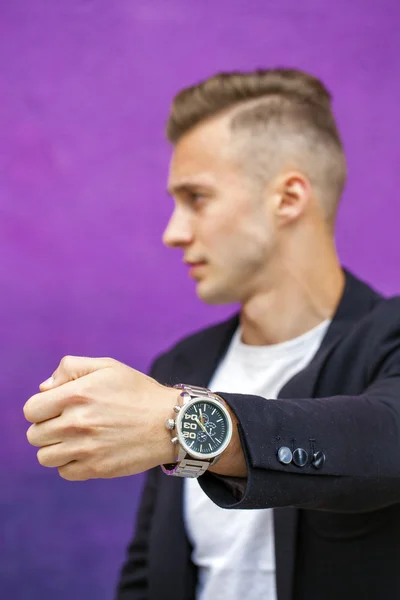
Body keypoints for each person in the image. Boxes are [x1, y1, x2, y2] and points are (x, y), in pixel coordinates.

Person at [23, 68, 400, 600]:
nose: (173, 233)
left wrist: (181, 423)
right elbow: (148, 575)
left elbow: (384, 440)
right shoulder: (182, 366)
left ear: (288, 198)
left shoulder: (390, 338)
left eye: (196, 198)